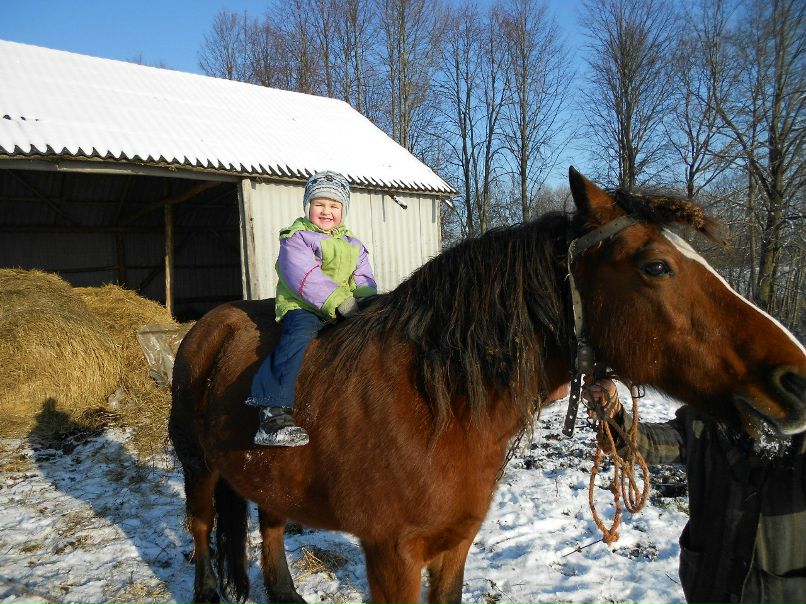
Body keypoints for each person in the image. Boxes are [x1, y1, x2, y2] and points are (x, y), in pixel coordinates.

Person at [583, 378, 806, 604]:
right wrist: (613, 412)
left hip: (782, 593)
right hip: (710, 587)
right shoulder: (705, 419)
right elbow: (647, 443)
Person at [247, 170, 377, 447]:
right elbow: (303, 275)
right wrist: (339, 301)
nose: (326, 211)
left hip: (344, 307)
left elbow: (362, 276)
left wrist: (367, 302)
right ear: (308, 206)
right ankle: (272, 412)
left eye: (334, 206)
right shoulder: (297, 237)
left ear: (343, 210)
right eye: (319, 204)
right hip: (303, 305)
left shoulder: (353, 244)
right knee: (296, 340)